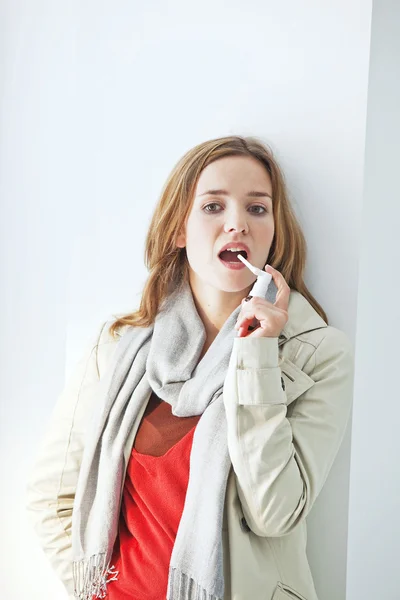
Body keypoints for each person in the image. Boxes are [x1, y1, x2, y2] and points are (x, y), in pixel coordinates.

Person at [26, 135, 354, 600]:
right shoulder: (116, 347)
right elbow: (50, 498)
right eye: (213, 207)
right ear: (179, 230)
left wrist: (258, 354)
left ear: (274, 231)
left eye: (257, 209)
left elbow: (274, 513)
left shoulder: (317, 353)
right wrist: (100, 593)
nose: (237, 223)